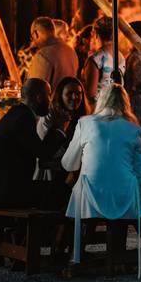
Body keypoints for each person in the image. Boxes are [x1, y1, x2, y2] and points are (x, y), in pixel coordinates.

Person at [62, 85, 141, 266]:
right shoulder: (134, 129)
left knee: (84, 186)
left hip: (89, 196)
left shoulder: (85, 123)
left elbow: (68, 163)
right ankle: (118, 257)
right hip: (123, 195)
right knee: (126, 188)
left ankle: (77, 253)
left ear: (101, 100)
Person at [0, 77, 68, 209]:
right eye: (49, 95)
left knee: (54, 189)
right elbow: (43, 153)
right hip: (3, 191)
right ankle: (44, 230)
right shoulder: (23, 118)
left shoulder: (18, 113)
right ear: (39, 97)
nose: (50, 100)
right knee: (63, 191)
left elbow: (38, 150)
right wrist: (60, 128)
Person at [36, 77, 92, 209]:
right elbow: (42, 152)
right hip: (49, 176)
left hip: (72, 172)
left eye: (78, 93)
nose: (74, 97)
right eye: (69, 93)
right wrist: (62, 127)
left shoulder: (84, 119)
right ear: (60, 96)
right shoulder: (49, 116)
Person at [81, 17, 126, 106]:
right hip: (116, 106)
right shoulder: (120, 56)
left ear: (96, 34)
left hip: (99, 109)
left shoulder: (96, 59)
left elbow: (91, 94)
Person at [28, 16, 79, 89]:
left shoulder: (43, 55)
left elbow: (34, 90)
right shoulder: (71, 52)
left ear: (36, 34)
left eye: (32, 37)